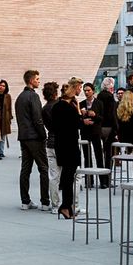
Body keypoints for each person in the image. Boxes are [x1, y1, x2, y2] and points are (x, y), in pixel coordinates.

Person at [46, 79, 83, 217]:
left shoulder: (56, 107)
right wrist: (78, 111)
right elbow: (79, 125)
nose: (80, 90)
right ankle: (66, 206)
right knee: (69, 177)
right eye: (79, 87)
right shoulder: (69, 107)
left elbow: (55, 127)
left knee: (66, 177)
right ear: (74, 89)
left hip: (60, 145)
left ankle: (67, 206)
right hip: (70, 145)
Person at [15, 70, 51, 208]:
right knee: (43, 168)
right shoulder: (33, 97)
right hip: (34, 137)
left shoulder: (20, 97)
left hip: (24, 136)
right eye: (37, 79)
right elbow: (38, 119)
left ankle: (25, 201)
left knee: (25, 169)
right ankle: (45, 201)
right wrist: (43, 135)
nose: (38, 81)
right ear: (31, 81)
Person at [0, 79, 14, 154]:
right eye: (0, 85)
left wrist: (9, 118)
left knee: (3, 135)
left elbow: (9, 108)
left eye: (3, 86)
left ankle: (1, 151)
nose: (1, 87)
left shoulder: (8, 96)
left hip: (5, 118)